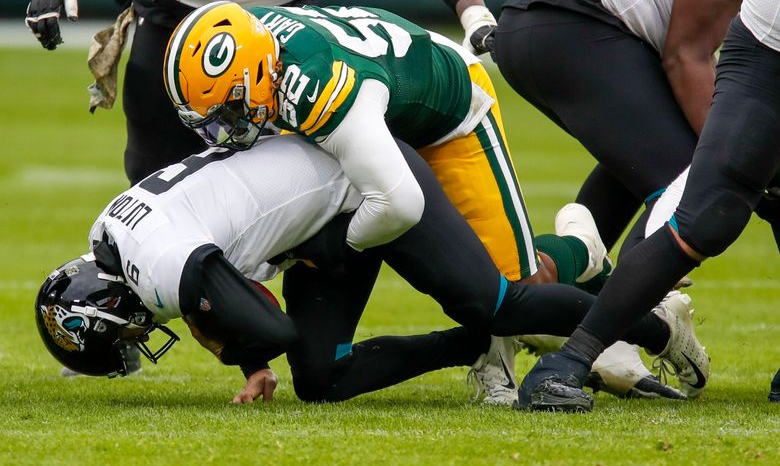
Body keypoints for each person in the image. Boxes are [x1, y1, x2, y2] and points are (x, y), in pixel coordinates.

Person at [36, 135, 697, 404]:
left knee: (503, 303)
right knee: (321, 382)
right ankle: (473, 346)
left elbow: (268, 325)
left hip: (367, 186)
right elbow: (226, 269)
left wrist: (238, 347)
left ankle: (656, 325)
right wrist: (249, 358)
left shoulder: (150, 265)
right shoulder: (109, 234)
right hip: (321, 227)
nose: (140, 337)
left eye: (124, 337)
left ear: (110, 308)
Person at [516, 0, 780, 411]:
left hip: (553, 14)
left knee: (644, 168)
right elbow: (687, 54)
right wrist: (732, 165)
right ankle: (622, 334)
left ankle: (530, 306)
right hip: (576, 19)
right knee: (697, 195)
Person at [25, 0, 497, 185]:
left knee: (305, 181)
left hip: (284, 29)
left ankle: (299, 332)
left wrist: (471, 7)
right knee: (149, 177)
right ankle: (116, 315)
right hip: (174, 14)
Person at [492, 0, 759, 254]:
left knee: (643, 158)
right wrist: (736, 160)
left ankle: (556, 284)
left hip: (531, 12)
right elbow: (687, 55)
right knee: (688, 182)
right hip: (575, 18)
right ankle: (635, 301)